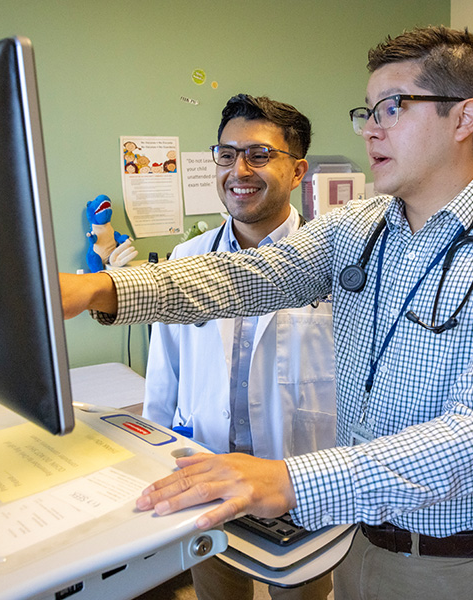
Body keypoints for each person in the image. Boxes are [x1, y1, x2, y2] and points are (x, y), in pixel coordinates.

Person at [61, 25, 473, 600]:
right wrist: (98, 290)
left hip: (446, 560)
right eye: (366, 111)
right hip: (350, 534)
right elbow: (245, 275)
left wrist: (289, 478)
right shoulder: (360, 227)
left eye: (393, 108)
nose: (371, 129)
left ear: (464, 119)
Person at [143, 94, 336, 600]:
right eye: (226, 155)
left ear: (297, 172)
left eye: (258, 154)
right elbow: (165, 379)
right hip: (207, 482)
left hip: (298, 484)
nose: (238, 170)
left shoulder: (337, 266)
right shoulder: (188, 259)